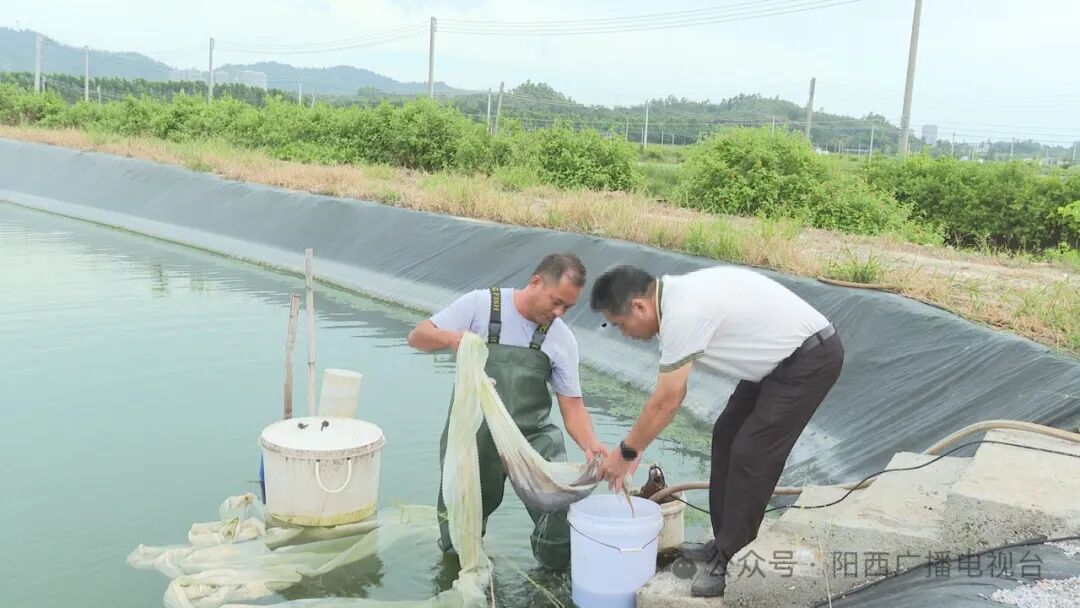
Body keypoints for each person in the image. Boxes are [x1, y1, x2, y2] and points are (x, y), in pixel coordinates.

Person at [589, 264, 844, 598]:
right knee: (726, 433)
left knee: (752, 451)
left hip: (809, 358)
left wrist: (626, 453)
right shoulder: (675, 300)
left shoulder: (683, 313)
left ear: (640, 306)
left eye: (622, 325)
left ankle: (732, 557)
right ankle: (722, 542)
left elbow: (668, 399)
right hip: (774, 362)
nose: (625, 334)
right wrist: (633, 448)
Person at [408, 253, 607, 571]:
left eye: (567, 308)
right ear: (536, 282)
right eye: (556, 302)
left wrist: (591, 445)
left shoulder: (561, 339)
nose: (558, 313)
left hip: (532, 440)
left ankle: (552, 576)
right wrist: (449, 337)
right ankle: (462, 577)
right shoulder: (480, 306)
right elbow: (417, 336)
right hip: (474, 439)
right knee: (460, 526)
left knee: (561, 516)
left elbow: (572, 407)